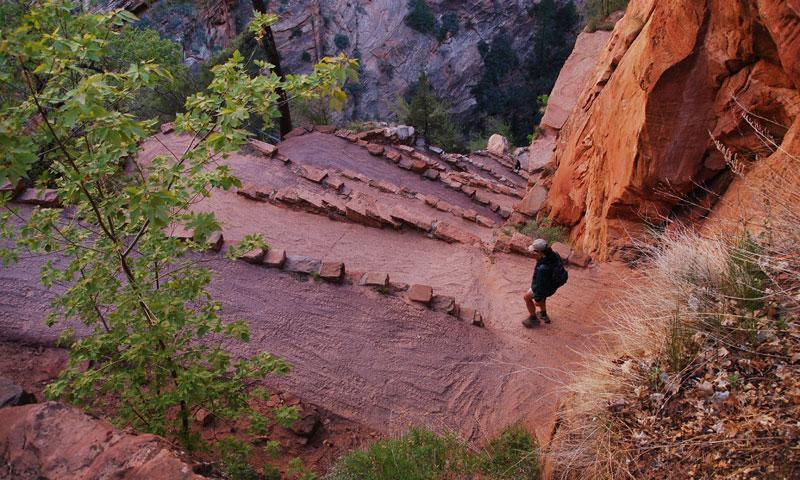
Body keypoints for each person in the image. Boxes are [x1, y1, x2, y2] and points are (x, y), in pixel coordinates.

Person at [522, 238, 567, 328]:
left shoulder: (543, 269)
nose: (533, 253)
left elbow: (539, 286)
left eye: (534, 251)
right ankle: (543, 314)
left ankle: (533, 319)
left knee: (527, 297)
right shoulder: (554, 255)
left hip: (546, 286)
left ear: (539, 252)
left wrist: (537, 299)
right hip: (552, 284)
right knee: (542, 295)